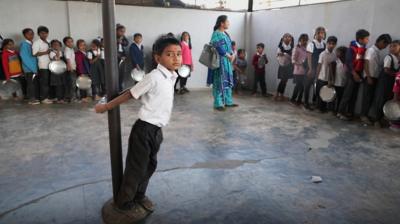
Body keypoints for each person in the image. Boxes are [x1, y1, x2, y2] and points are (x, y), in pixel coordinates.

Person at [94, 36, 181, 221]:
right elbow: (130, 94)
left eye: (179, 54)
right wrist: (106, 107)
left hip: (157, 130)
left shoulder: (172, 76)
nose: (176, 58)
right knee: (136, 168)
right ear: (158, 58)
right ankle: (124, 203)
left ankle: (139, 196)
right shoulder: (154, 77)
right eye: (170, 54)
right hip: (144, 130)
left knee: (150, 165)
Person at [337, 29, 370, 121]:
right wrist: (354, 74)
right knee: (347, 93)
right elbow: (349, 62)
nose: (368, 40)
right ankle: (340, 112)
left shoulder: (364, 49)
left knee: (354, 94)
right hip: (352, 73)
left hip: (359, 73)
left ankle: (350, 112)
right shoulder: (351, 49)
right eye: (366, 39)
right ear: (360, 39)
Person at [206, 15, 237, 111]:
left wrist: (232, 55)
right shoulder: (216, 33)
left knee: (227, 80)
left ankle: (228, 101)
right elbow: (217, 46)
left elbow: (230, 47)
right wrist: (228, 55)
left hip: (227, 62)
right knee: (219, 81)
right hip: (220, 62)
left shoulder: (226, 34)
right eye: (227, 22)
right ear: (222, 23)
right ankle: (218, 103)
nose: (228, 23)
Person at [360, 34, 392, 125]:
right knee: (367, 97)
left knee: (372, 98)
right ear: (381, 41)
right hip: (369, 77)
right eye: (385, 45)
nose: (385, 47)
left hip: (376, 78)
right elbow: (366, 63)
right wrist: (369, 77)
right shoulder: (370, 50)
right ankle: (363, 115)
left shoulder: (378, 52)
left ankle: (368, 115)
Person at [368, 40, 400, 127]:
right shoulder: (389, 57)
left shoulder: (398, 58)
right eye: (391, 46)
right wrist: (396, 74)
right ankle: (375, 120)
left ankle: (384, 119)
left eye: (395, 46)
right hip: (384, 82)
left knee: (388, 100)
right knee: (380, 99)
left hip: (392, 84)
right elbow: (386, 70)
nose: (392, 48)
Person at [304, 27, 326, 110]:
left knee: (316, 86)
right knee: (308, 85)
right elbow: (309, 57)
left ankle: (314, 102)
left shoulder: (324, 44)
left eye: (322, 33)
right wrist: (310, 69)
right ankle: (306, 103)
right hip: (311, 67)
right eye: (319, 33)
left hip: (319, 68)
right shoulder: (311, 44)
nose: (321, 35)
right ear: (316, 34)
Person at [315, 36, 337, 112]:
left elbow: (333, 67)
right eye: (329, 43)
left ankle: (323, 108)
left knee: (326, 94)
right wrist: (316, 77)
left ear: (335, 45)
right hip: (321, 77)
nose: (331, 45)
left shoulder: (334, 55)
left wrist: (332, 79)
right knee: (320, 93)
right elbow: (319, 65)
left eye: (333, 44)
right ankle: (319, 108)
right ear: (327, 43)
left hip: (329, 78)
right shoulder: (323, 54)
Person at [32, 26, 52, 104]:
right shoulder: (37, 43)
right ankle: (44, 98)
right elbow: (34, 54)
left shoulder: (49, 41)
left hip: (51, 65)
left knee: (49, 82)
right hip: (43, 65)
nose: (44, 35)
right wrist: (45, 52)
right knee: (44, 83)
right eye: (42, 33)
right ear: (39, 34)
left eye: (46, 33)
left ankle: (48, 97)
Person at [20, 28, 40, 105]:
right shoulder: (24, 44)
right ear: (25, 35)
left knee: (34, 83)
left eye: (32, 34)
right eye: (29, 34)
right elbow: (24, 57)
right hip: (29, 69)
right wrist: (33, 68)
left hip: (34, 68)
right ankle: (31, 99)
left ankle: (34, 97)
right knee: (30, 84)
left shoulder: (32, 43)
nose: (31, 35)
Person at [290, 34, 309, 106]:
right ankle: (292, 99)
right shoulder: (296, 48)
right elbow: (293, 61)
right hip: (298, 71)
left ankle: (299, 101)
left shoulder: (307, 49)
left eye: (306, 40)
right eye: (303, 40)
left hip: (305, 71)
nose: (305, 41)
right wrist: (301, 63)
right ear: (300, 40)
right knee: (298, 86)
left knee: (303, 87)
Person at [275, 33, 294, 101]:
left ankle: (281, 95)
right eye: (285, 37)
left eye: (289, 37)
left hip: (289, 66)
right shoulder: (280, 47)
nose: (287, 38)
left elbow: (292, 56)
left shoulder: (291, 47)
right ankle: (277, 94)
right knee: (282, 81)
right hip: (282, 66)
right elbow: (278, 55)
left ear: (291, 39)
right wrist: (282, 54)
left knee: (285, 81)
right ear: (283, 38)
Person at [332, 46, 348, 114]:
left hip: (343, 83)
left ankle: (338, 110)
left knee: (340, 98)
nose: (336, 53)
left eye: (338, 52)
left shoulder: (346, 62)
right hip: (336, 83)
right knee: (334, 98)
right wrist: (331, 80)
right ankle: (333, 110)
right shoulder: (335, 62)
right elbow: (332, 72)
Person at [49, 39, 65, 103]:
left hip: (61, 70)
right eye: (54, 45)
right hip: (55, 71)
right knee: (57, 84)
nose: (56, 46)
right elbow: (57, 58)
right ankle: (58, 98)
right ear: (51, 46)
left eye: (58, 45)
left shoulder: (62, 52)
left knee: (61, 84)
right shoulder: (51, 53)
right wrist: (58, 50)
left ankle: (61, 97)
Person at [63, 36, 77, 103]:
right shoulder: (67, 49)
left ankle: (70, 97)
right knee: (72, 84)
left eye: (71, 41)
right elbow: (67, 59)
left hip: (73, 67)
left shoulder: (71, 49)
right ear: (65, 43)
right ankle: (72, 98)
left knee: (72, 83)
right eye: (68, 42)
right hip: (70, 68)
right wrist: (70, 67)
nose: (70, 43)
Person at [116, 24, 129, 91]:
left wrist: (122, 41)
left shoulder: (123, 37)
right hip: (116, 57)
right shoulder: (113, 37)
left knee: (122, 73)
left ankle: (120, 88)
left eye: (124, 31)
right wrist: (117, 42)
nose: (122, 33)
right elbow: (112, 49)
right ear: (116, 31)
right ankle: (116, 89)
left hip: (122, 56)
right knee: (116, 74)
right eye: (121, 31)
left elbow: (127, 43)